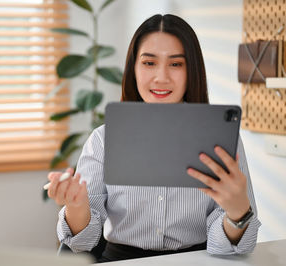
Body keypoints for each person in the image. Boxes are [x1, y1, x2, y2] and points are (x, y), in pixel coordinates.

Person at [46, 14, 261, 263]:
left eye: (176, 64)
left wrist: (237, 212)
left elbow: (228, 247)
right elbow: (84, 241)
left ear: (192, 70)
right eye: (149, 63)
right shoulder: (102, 140)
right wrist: (77, 205)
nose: (161, 77)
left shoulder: (223, 142)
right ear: (134, 68)